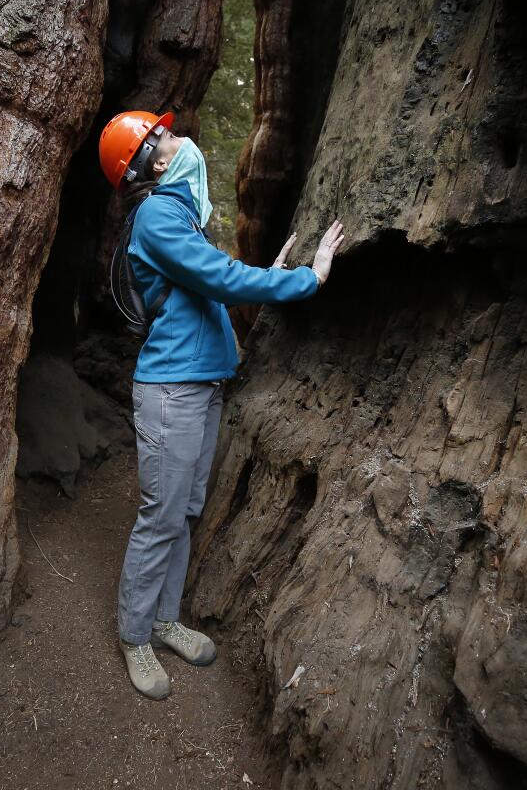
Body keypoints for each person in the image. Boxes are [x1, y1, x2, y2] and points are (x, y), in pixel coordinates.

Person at [98, 110, 345, 700]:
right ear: (157, 159)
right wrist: (306, 279)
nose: (185, 140)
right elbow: (221, 280)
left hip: (201, 386)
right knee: (161, 516)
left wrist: (264, 272)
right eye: (171, 135)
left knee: (184, 512)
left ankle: (164, 619)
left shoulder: (181, 215)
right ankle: (135, 635)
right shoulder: (158, 215)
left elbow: (206, 291)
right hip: (170, 392)